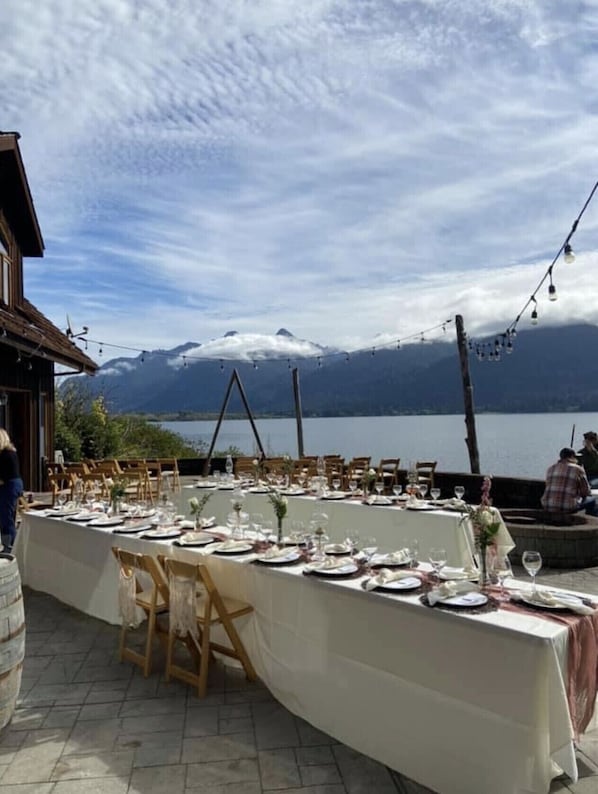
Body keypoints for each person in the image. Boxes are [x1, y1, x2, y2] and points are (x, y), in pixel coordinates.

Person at [541, 447, 598, 518]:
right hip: (567, 507)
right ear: (571, 457)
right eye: (575, 457)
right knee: (592, 501)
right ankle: (591, 523)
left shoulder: (550, 468)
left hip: (547, 505)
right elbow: (586, 492)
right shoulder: (578, 469)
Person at [0, 429, 24, 553]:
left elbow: (3, 476)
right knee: (8, 516)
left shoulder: (4, 455)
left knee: (6, 517)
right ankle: (9, 544)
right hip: (15, 484)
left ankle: (10, 546)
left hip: (9, 486)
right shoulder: (11, 452)